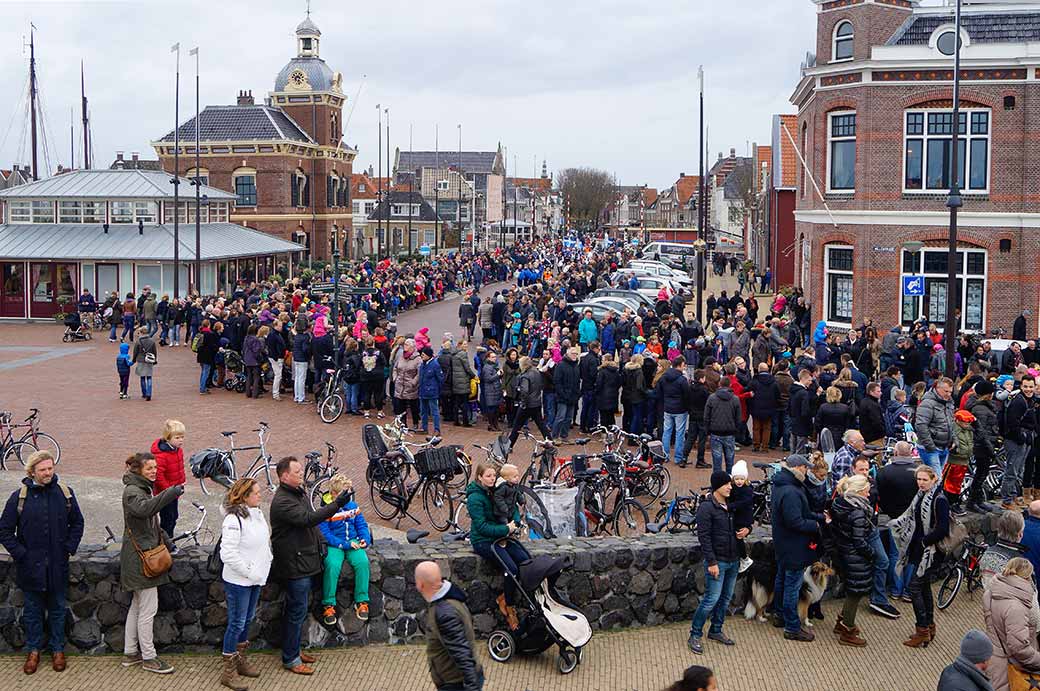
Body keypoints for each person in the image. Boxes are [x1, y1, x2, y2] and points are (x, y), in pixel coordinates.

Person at [0, 450, 84, 675]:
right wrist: (21, 554)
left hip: (57, 566)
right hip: (30, 568)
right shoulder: (19, 497)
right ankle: (33, 651)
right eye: (43, 470)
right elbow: (5, 530)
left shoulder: (65, 494)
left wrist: (68, 548)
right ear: (32, 472)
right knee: (32, 612)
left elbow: (77, 523)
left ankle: (57, 650)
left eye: (50, 468)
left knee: (57, 610)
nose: (48, 473)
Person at [269, 456, 354, 675]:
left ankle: (294, 650)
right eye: (297, 471)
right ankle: (291, 658)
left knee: (298, 609)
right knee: (296, 611)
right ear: (284, 475)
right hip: (294, 565)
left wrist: (323, 542)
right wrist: (337, 505)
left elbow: (311, 524)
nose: (301, 474)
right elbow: (309, 519)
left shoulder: (298, 493)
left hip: (303, 561)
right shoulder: (283, 501)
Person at [120, 451, 183, 674]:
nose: (154, 471)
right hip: (140, 559)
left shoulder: (141, 489)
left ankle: (130, 653)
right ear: (138, 470)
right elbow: (146, 510)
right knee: (147, 609)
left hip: (139, 557)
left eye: (155, 468)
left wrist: (168, 541)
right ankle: (149, 658)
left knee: (137, 607)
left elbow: (151, 523)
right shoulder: (133, 492)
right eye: (149, 468)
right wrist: (170, 493)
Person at [218, 478, 272, 691]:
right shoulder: (233, 519)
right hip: (239, 581)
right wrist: (250, 571)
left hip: (255, 579)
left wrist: (263, 567)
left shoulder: (257, 513)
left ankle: (240, 660)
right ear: (245, 496)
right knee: (237, 623)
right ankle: (228, 672)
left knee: (247, 619)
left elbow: (263, 542)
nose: (260, 495)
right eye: (256, 493)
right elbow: (227, 553)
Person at [890, 465, 950, 649]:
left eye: (925, 479)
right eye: (919, 479)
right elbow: (911, 518)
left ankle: (922, 629)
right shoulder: (920, 496)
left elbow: (942, 528)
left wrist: (924, 542)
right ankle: (929, 627)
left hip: (930, 552)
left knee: (914, 587)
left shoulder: (939, 499)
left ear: (934, 479)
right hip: (919, 550)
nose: (921, 483)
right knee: (923, 587)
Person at [466, 461, 526, 631]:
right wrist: (505, 528)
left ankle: (503, 598)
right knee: (512, 569)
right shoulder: (474, 498)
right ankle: (509, 606)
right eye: (488, 476)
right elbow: (481, 527)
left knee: (525, 560)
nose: (492, 479)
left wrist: (515, 519)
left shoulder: (498, 489)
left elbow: (512, 504)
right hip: (483, 541)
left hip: (501, 536)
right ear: (479, 477)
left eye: (494, 475)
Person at [768, 454, 822, 641]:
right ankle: (792, 626)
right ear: (798, 467)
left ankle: (779, 615)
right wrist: (815, 525)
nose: (807, 471)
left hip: (784, 544)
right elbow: (794, 521)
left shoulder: (781, 485)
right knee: (792, 585)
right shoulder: (791, 490)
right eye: (805, 468)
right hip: (794, 545)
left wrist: (818, 518)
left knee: (782, 579)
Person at [687, 471, 741, 655]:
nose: (730, 487)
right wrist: (711, 562)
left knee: (725, 599)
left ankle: (716, 630)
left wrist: (747, 529)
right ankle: (695, 634)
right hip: (717, 561)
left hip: (733, 559)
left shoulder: (730, 505)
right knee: (711, 599)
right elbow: (704, 537)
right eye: (726, 484)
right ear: (717, 486)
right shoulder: (706, 508)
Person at [415, 560, 485, 691]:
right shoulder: (449, 598)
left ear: (420, 584)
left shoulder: (445, 613)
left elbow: (462, 654)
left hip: (457, 684)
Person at [318, 475, 371, 625]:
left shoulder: (353, 506)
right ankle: (328, 604)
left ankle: (361, 600)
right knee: (332, 565)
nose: (348, 495)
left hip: (353, 542)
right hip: (335, 544)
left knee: (362, 562)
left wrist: (364, 539)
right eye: (344, 492)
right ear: (334, 494)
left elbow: (361, 525)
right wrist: (344, 545)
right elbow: (325, 535)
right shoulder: (325, 510)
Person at [830, 474, 875, 647]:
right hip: (855, 556)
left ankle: (842, 622)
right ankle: (847, 630)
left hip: (843, 552)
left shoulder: (840, 504)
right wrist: (871, 553)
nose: (869, 495)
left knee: (852, 590)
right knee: (855, 592)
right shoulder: (857, 512)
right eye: (867, 492)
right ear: (859, 492)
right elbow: (859, 541)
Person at [984, 558, 1040, 691]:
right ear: (1026, 578)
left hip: (994, 659)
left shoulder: (990, 592)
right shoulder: (1016, 608)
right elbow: (1019, 648)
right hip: (1011, 666)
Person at [876, 441, 920, 601]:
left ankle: (896, 590)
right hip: (914, 520)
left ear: (895, 453)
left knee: (895, 555)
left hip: (893, 518)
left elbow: (879, 497)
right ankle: (908, 592)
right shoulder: (918, 473)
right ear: (910, 453)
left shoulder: (883, 472)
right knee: (911, 556)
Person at [1001, 374, 1036, 510]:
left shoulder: (1030, 400)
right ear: (1021, 386)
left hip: (1025, 438)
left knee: (1019, 470)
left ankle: (1014, 495)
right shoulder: (1018, 401)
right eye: (1026, 386)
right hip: (1015, 440)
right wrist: (1021, 437)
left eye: (1031, 387)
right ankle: (1007, 499)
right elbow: (1012, 422)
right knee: (1012, 470)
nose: (1028, 389)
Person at [967, 380, 999, 514]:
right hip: (982, 447)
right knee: (980, 474)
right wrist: (991, 449)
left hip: (985, 444)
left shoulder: (983, 406)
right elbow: (981, 431)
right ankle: (972, 501)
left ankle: (978, 500)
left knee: (982, 474)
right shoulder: (979, 408)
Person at [151, 419, 186, 540]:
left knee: (174, 516)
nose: (181, 440)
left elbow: (179, 467)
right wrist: (169, 490)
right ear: (168, 438)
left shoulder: (178, 451)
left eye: (182, 437)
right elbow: (159, 476)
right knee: (168, 518)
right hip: (166, 493)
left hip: (174, 490)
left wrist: (181, 482)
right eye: (177, 437)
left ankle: (167, 538)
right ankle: (165, 540)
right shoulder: (162, 455)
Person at [915, 378, 956, 476]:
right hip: (930, 448)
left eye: (950, 392)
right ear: (937, 388)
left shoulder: (949, 403)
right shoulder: (927, 403)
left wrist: (954, 440)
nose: (949, 394)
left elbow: (951, 423)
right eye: (946, 391)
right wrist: (930, 446)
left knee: (937, 480)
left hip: (944, 447)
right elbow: (921, 426)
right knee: (936, 480)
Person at [508, 356, 551, 447]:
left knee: (517, 426)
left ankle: (509, 445)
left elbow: (524, 391)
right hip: (537, 402)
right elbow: (541, 385)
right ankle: (549, 440)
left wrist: (523, 402)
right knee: (541, 424)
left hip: (527, 405)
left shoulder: (525, 376)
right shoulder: (537, 372)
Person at [979, 510, 1027, 588]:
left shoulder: (986, 554)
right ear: (1020, 535)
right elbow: (1030, 596)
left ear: (999, 530)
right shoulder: (1021, 565)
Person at [657, 355, 691, 464]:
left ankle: (665, 455)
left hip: (667, 407)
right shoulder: (682, 380)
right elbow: (687, 395)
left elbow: (660, 392)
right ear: (681, 365)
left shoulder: (663, 377)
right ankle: (678, 457)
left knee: (666, 432)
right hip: (680, 409)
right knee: (679, 433)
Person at [704, 378, 741, 473]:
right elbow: (738, 418)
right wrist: (736, 430)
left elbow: (706, 416)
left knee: (717, 462)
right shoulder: (735, 399)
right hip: (729, 433)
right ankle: (729, 481)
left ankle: (717, 483)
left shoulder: (712, 398)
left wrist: (707, 431)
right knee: (730, 461)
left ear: (720, 384)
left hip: (715, 432)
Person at [748, 362, 780, 453]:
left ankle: (756, 445)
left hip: (756, 408)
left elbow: (748, 392)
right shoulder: (773, 382)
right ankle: (765, 447)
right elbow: (778, 395)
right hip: (769, 409)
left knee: (756, 428)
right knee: (767, 428)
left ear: (759, 369)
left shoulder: (754, 381)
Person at [552, 346, 581, 440]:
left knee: (569, 418)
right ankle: (555, 436)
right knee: (560, 417)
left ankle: (564, 436)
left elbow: (577, 382)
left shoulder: (576, 366)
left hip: (573, 396)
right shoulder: (561, 365)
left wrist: (577, 394)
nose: (575, 355)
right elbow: (557, 381)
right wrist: (562, 394)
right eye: (573, 353)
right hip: (563, 396)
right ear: (568, 354)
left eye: (576, 354)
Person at [419, 346, 445, 434]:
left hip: (432, 392)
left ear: (428, 355)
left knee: (434, 411)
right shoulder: (422, 364)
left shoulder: (435, 365)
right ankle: (424, 427)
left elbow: (441, 379)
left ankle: (437, 429)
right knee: (423, 411)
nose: (421, 356)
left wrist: (435, 389)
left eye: (423, 354)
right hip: (423, 391)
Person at [131, 325, 157, 401]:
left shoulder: (138, 341)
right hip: (149, 360)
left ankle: (144, 393)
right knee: (149, 377)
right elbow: (154, 352)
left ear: (141, 332)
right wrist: (155, 360)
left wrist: (133, 360)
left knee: (142, 377)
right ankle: (149, 393)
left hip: (141, 360)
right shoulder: (152, 341)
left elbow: (135, 352)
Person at [291, 318, 312, 405]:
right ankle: (301, 398)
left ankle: (297, 396)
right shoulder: (305, 337)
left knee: (297, 378)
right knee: (301, 379)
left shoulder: (297, 336)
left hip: (296, 357)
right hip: (302, 359)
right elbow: (305, 349)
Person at [197, 319, 220, 395]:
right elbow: (212, 346)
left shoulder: (200, 332)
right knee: (206, 372)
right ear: (209, 325)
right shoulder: (210, 334)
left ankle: (202, 386)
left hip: (200, 355)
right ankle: (202, 388)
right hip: (207, 355)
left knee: (203, 371)